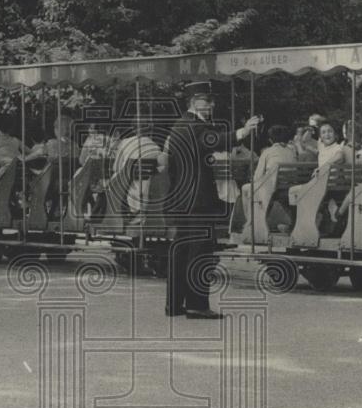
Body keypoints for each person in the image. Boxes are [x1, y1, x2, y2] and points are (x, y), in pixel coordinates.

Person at [163, 81, 260, 319]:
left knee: (181, 251)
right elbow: (213, 140)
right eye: (206, 100)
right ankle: (197, 305)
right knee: (200, 252)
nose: (211, 104)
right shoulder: (193, 125)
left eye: (211, 100)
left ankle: (174, 304)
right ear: (193, 102)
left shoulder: (180, 125)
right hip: (198, 201)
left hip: (182, 199)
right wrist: (243, 132)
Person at [240, 124, 296, 232]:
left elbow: (258, 176)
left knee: (245, 189)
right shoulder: (291, 151)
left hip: (272, 188)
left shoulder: (267, 152)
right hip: (288, 186)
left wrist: (255, 179)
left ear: (270, 140)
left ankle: (250, 222)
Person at [113, 120, 161, 216]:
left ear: (133, 129)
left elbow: (116, 168)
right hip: (147, 187)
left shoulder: (125, 142)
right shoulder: (155, 147)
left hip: (127, 186)